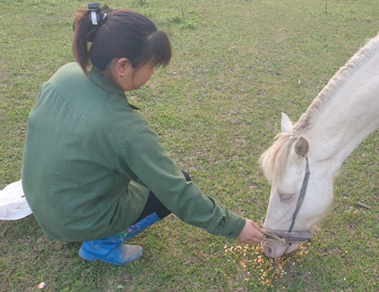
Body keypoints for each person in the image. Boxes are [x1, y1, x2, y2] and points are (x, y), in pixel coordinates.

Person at [21, 3, 263, 266]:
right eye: (151, 67)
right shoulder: (126, 129)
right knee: (169, 190)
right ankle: (101, 244)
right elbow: (176, 192)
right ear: (123, 66)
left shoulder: (65, 74)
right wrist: (236, 226)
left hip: (39, 197)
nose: (152, 74)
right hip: (72, 220)